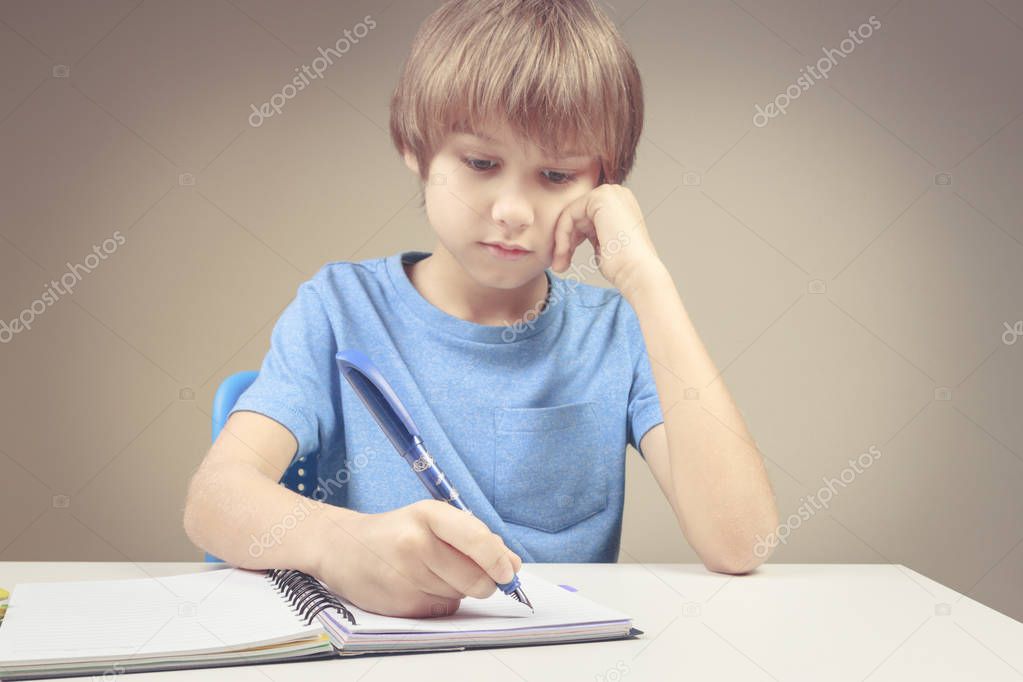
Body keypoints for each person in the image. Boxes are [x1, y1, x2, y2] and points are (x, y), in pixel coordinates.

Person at [184, 0, 778, 619]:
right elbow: (215, 501)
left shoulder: (617, 333)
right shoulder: (339, 309)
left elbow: (740, 543)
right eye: (480, 163)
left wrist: (646, 278)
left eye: (556, 174)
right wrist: (345, 544)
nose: (512, 210)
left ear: (604, 185)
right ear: (414, 147)